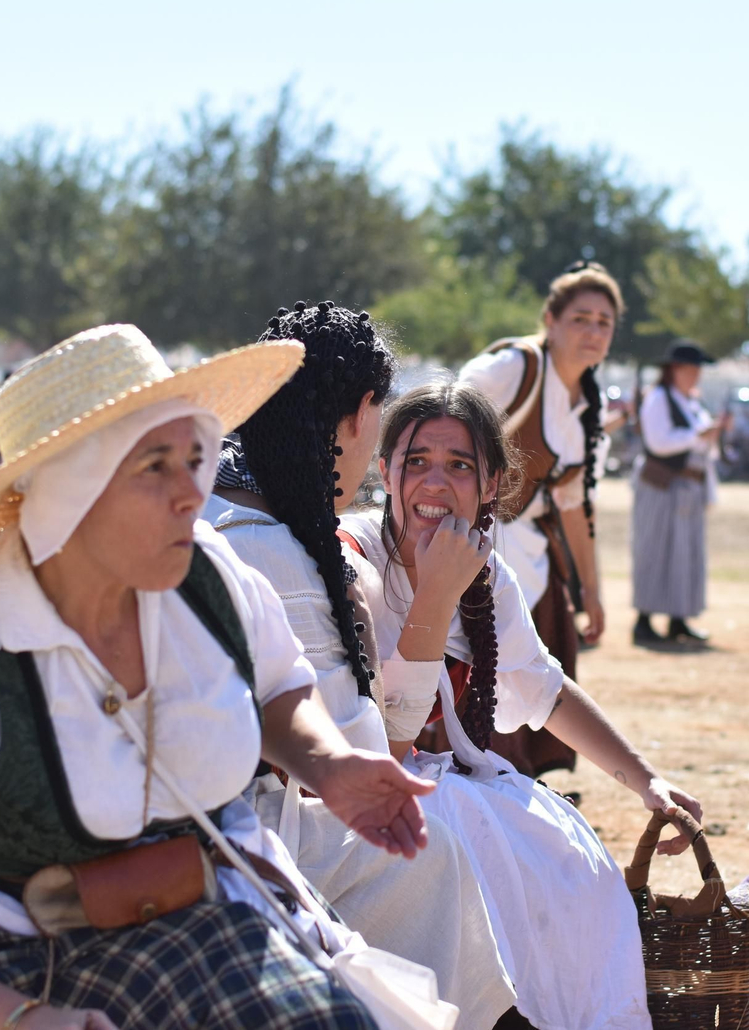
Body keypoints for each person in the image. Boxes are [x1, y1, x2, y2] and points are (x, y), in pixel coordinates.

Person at [0, 325, 446, 1030]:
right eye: (154, 466)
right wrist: (23, 1020)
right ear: (69, 492)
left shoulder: (207, 575)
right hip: (11, 968)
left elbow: (275, 685)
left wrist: (329, 763)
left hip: (194, 916)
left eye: (194, 458)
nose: (191, 494)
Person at [342, 380, 706, 1030]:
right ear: (383, 469)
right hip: (356, 802)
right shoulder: (351, 559)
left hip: (447, 788)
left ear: (492, 484)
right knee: (460, 838)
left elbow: (546, 690)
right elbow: (381, 744)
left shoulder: (487, 572)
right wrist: (433, 592)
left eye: (459, 465)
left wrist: (647, 781)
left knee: (573, 863)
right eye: (416, 461)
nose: (434, 482)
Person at [207, 302, 515, 1030]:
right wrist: (435, 602)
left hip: (196, 811)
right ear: (362, 417)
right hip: (233, 832)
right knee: (433, 850)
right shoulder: (280, 551)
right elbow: (370, 758)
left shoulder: (211, 509)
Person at [456, 260, 614, 777]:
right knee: (476, 661)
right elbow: (445, 420)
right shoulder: (515, 368)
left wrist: (592, 589)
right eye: (580, 319)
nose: (592, 332)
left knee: (533, 661)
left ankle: (516, 779)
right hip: (472, 539)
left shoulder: (589, 407)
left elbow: (573, 505)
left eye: (603, 323)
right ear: (551, 319)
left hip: (530, 548)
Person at [631, 338, 720, 647]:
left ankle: (678, 618)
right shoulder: (658, 398)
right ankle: (644, 619)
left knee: (683, 552)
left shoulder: (691, 401)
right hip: (662, 485)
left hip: (688, 486)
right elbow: (659, 442)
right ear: (674, 369)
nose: (696, 374)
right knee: (656, 549)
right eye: (691, 368)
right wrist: (698, 435)